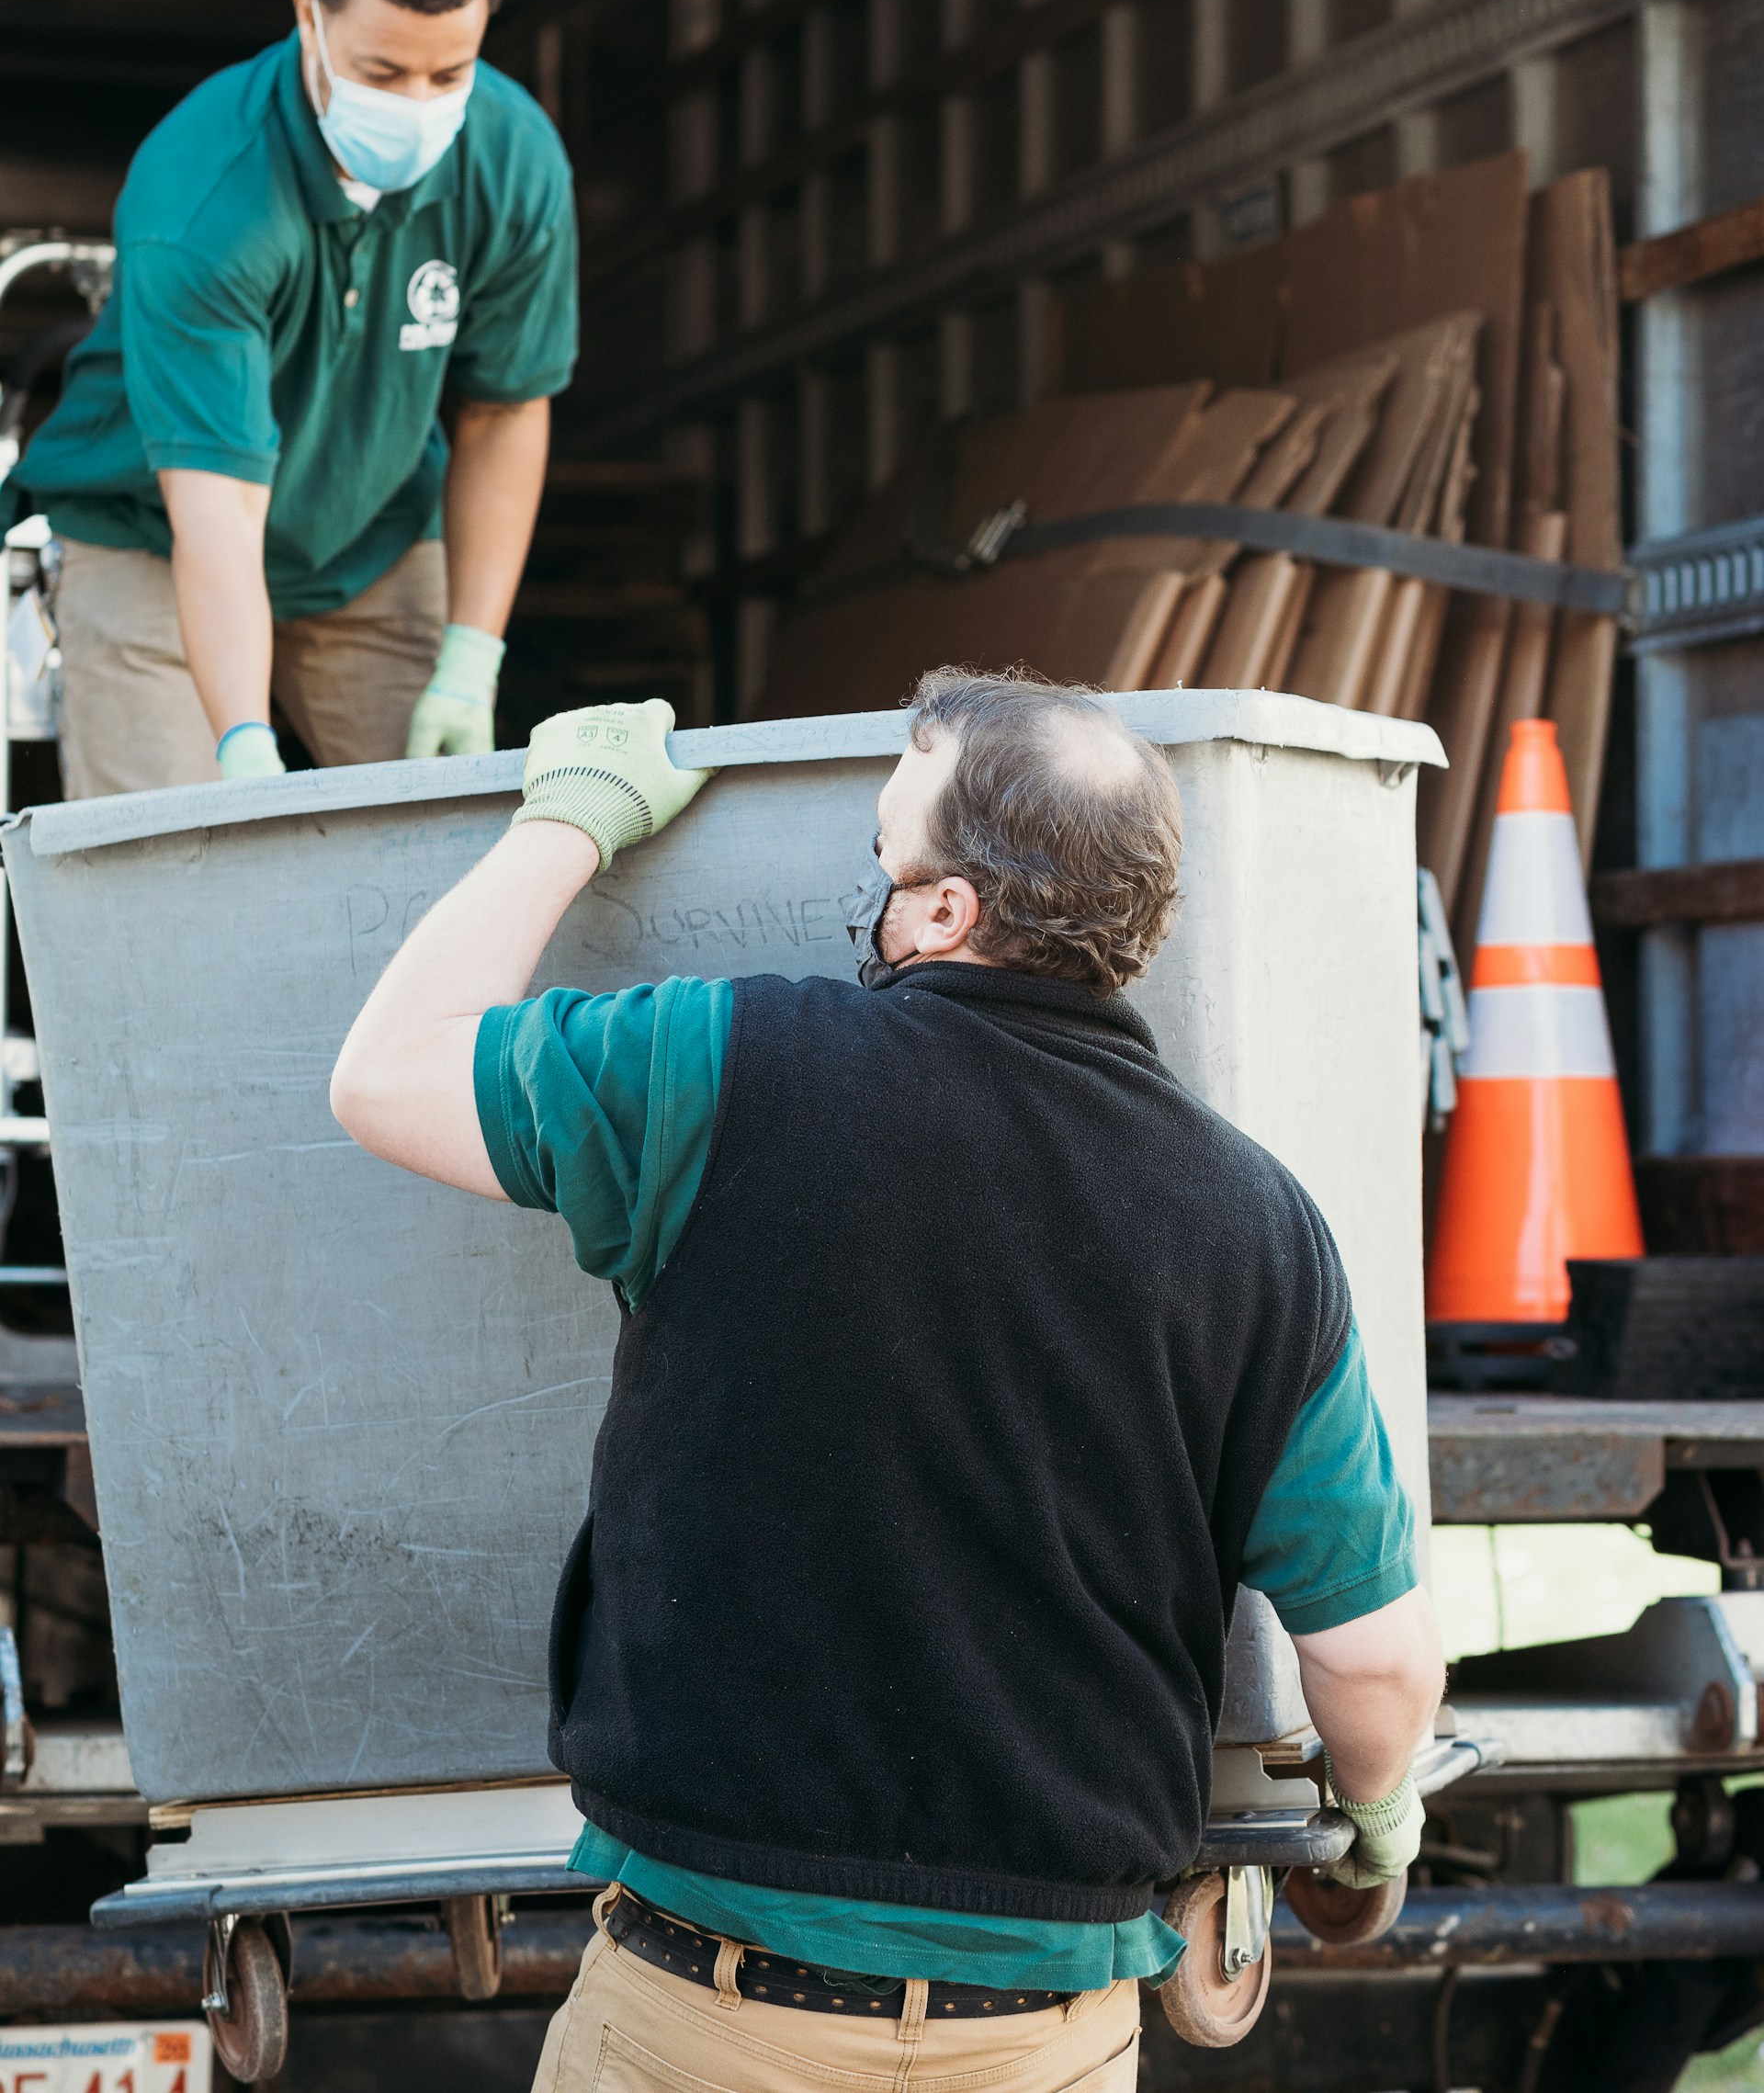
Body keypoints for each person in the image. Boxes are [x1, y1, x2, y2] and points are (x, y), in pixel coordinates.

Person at [331, 670, 1444, 2093]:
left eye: (882, 852)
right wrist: (1378, 1814)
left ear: (944, 913)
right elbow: (1376, 1661)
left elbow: (384, 1076)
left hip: (704, 2024)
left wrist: (572, 821)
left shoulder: (719, 1065)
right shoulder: (1260, 1229)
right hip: (1045, 2047)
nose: (869, 885)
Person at [9, 0, 577, 798]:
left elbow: (503, 410)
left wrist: (471, 658)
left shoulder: (513, 159)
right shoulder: (205, 198)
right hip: (156, 536)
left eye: (451, 71)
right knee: (173, 864)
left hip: (373, 539)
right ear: (307, 15)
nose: (418, 105)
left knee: (439, 855)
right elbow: (220, 512)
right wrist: (241, 740)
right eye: (382, 70)